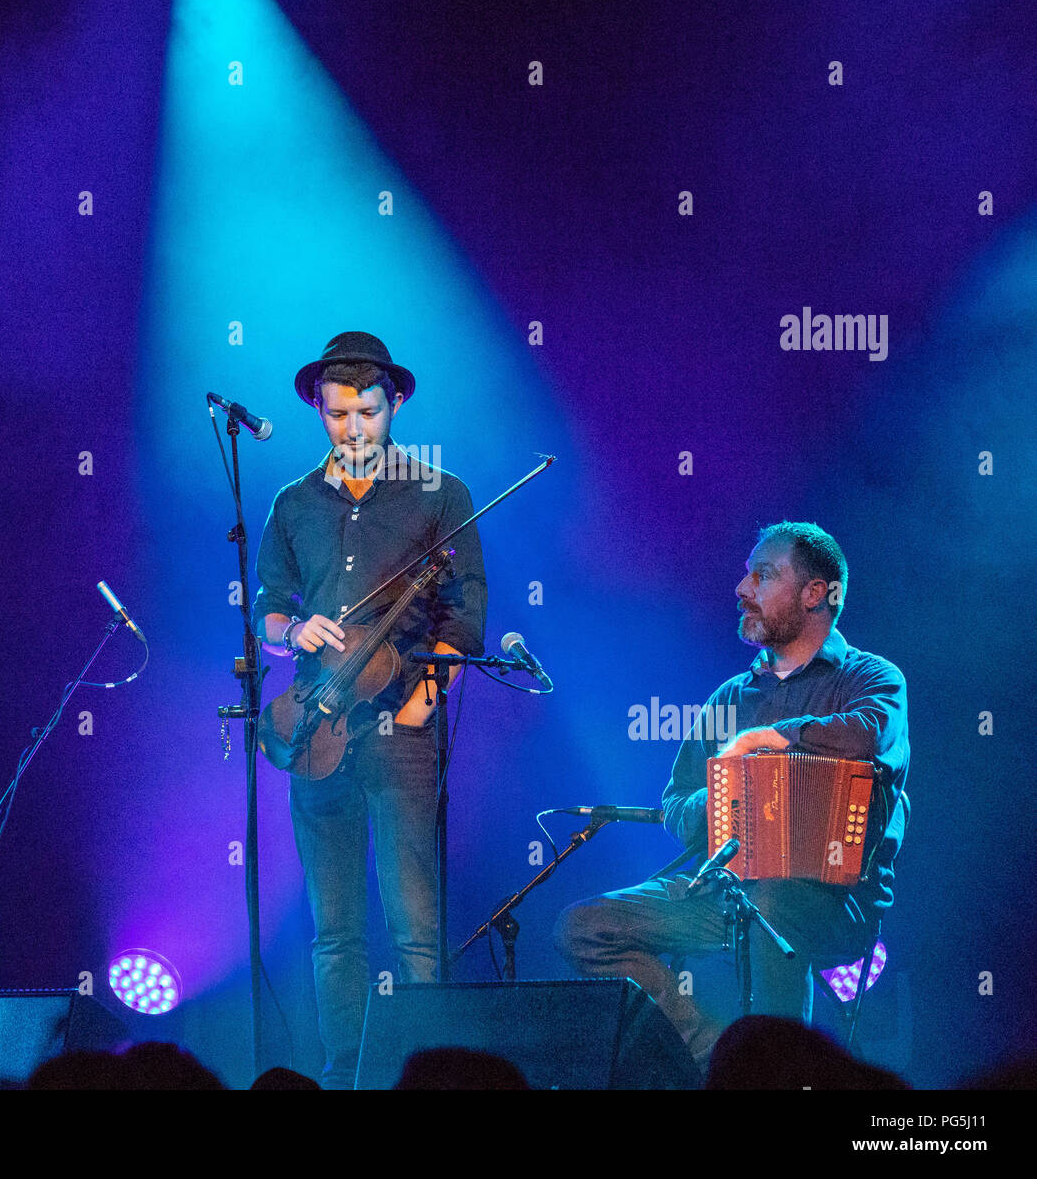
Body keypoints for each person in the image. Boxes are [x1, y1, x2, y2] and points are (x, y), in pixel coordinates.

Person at [554, 522, 909, 1073]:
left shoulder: (871, 677)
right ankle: (716, 1055)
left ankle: (781, 1078)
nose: (742, 588)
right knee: (584, 928)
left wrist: (770, 737)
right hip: (726, 891)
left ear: (816, 593)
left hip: (834, 903)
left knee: (772, 901)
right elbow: (676, 797)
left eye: (762, 575)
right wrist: (725, 803)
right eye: (747, 574)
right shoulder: (730, 696)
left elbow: (867, 733)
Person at [252, 331, 487, 1089]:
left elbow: (464, 620)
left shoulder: (438, 493)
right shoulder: (292, 502)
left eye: (368, 413)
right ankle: (344, 1075)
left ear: (396, 404)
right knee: (334, 935)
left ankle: (429, 1079)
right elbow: (267, 611)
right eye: (337, 414)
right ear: (318, 410)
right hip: (316, 726)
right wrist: (294, 630)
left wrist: (421, 708)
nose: (353, 430)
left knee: (416, 930)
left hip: (403, 732)